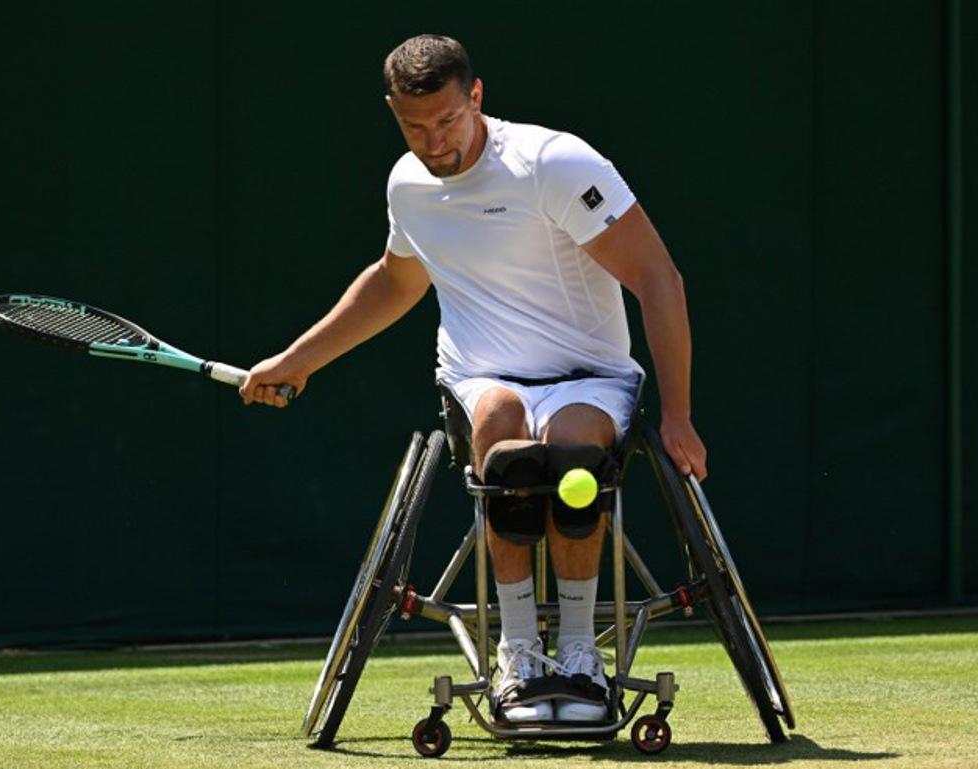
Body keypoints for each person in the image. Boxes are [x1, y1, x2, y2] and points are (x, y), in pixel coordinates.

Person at [240, 34, 707, 725]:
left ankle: (579, 653)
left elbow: (657, 279)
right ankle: (517, 653)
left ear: (477, 96)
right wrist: (297, 360)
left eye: (448, 121)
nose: (434, 143)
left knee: (575, 448)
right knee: (502, 436)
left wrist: (678, 415)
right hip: (483, 381)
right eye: (414, 126)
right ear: (394, 111)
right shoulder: (408, 184)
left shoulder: (552, 163)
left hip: (591, 378)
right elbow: (395, 282)